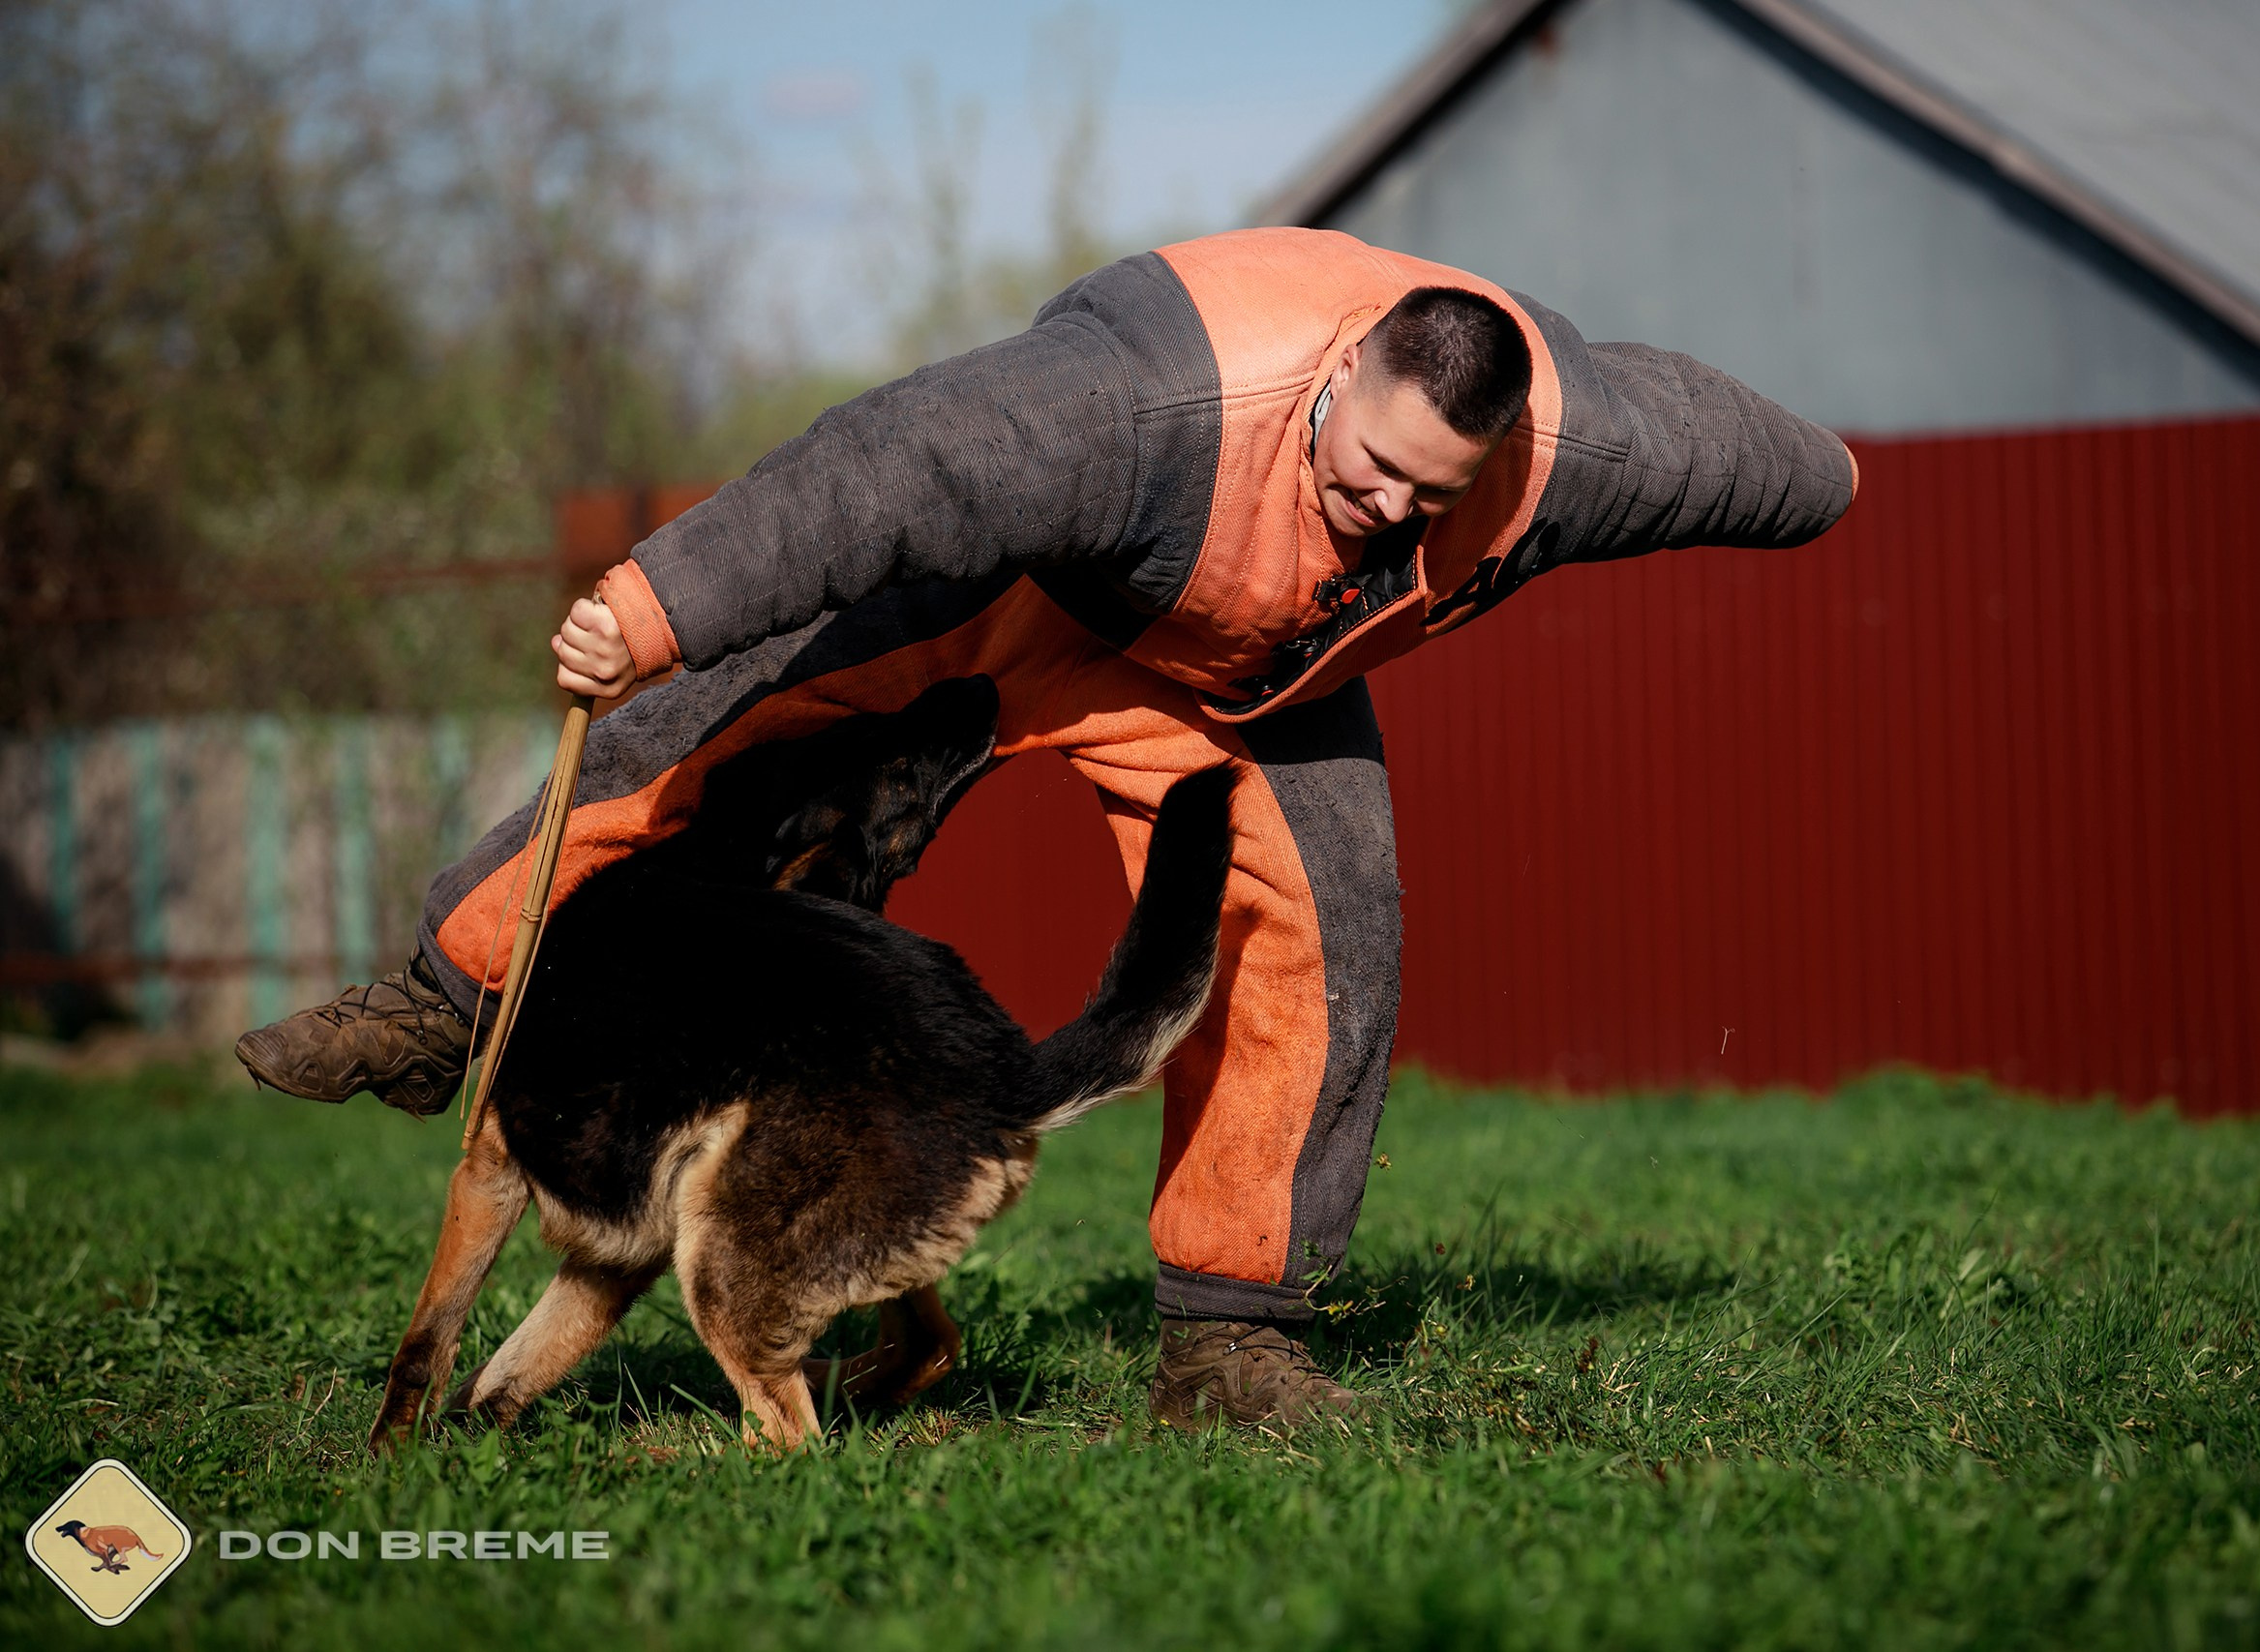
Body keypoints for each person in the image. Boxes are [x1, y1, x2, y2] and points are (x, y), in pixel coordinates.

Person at [236, 226, 1856, 1429]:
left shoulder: (1570, 458)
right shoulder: (1122, 411)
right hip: (1022, 595)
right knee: (698, 725)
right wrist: (657, 606)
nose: (1387, 514)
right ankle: (439, 1001)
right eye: (1367, 472)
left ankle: (1233, 1332)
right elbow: (878, 470)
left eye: (1427, 503)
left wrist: (1836, 480)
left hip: (1243, 687)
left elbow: (1741, 455)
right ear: (1343, 367)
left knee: (1333, 933)